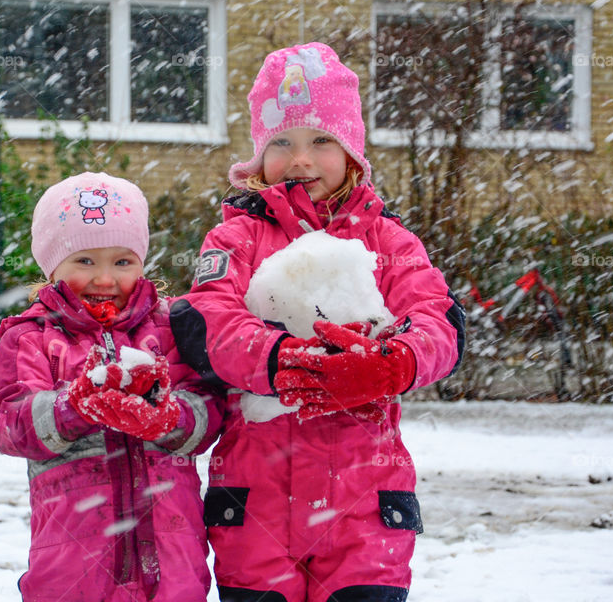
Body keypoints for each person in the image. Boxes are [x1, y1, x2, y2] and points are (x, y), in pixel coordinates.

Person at [170, 42, 466, 602]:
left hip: (364, 504)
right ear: (259, 156)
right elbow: (209, 317)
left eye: (321, 141)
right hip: (255, 501)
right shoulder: (237, 237)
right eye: (281, 142)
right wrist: (279, 359)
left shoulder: (388, 241)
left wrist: (392, 364)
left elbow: (436, 320)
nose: (301, 160)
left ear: (352, 153)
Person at [0, 172, 223, 602]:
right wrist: (74, 406)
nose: (105, 278)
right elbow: (9, 421)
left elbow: (207, 407)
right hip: (72, 553)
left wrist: (167, 416)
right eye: (85, 261)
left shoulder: (169, 327)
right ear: (51, 266)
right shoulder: (31, 336)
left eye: (122, 261)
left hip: (171, 550)